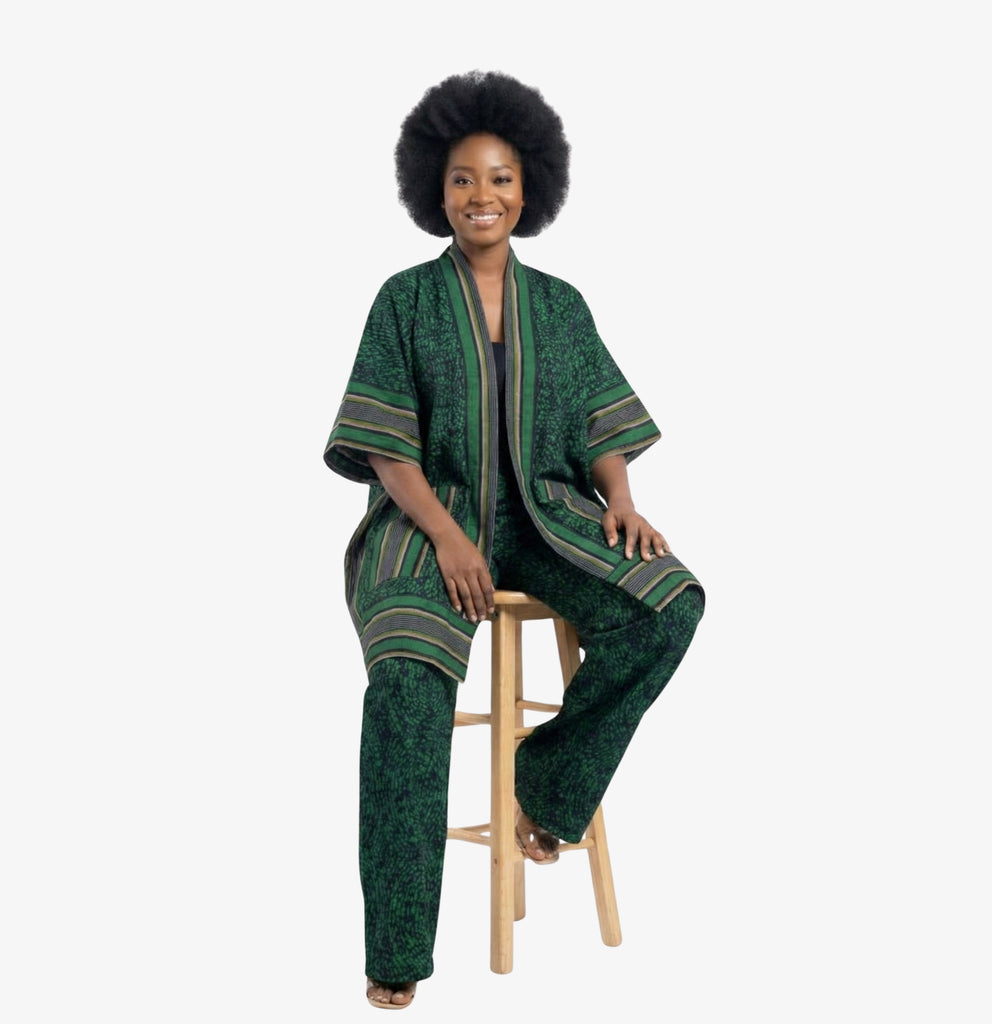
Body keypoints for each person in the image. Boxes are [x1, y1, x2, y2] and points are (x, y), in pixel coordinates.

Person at [323, 69, 705, 1010]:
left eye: (499, 178)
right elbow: (386, 449)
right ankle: (396, 949)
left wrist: (622, 498)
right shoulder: (404, 300)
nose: (481, 195)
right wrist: (452, 541)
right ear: (435, 189)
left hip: (546, 517)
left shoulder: (561, 306)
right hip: (427, 523)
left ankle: (551, 783)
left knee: (667, 607)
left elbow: (601, 425)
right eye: (462, 179)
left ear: (529, 189)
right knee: (406, 686)